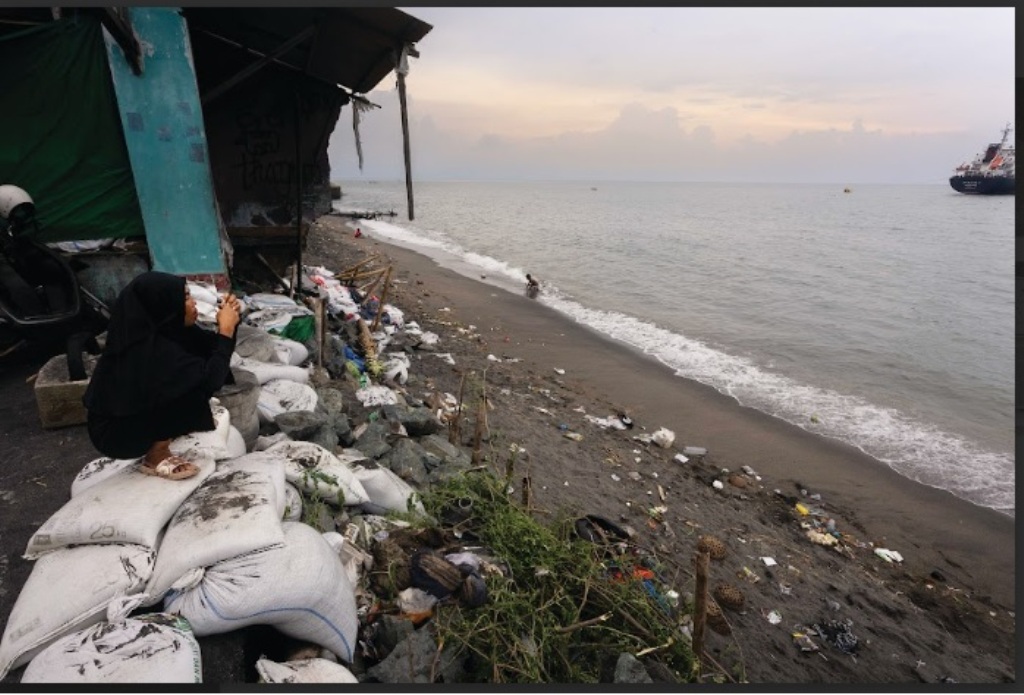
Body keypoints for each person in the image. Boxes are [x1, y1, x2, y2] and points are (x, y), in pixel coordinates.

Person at [82, 271, 241, 480]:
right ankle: (156, 455)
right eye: (185, 297)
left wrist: (230, 321)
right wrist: (226, 332)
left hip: (130, 416)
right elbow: (212, 379)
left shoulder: (163, 329)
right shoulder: (149, 349)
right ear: (164, 303)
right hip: (116, 434)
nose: (193, 303)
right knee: (192, 389)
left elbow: (213, 349)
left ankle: (161, 435)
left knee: (193, 376)